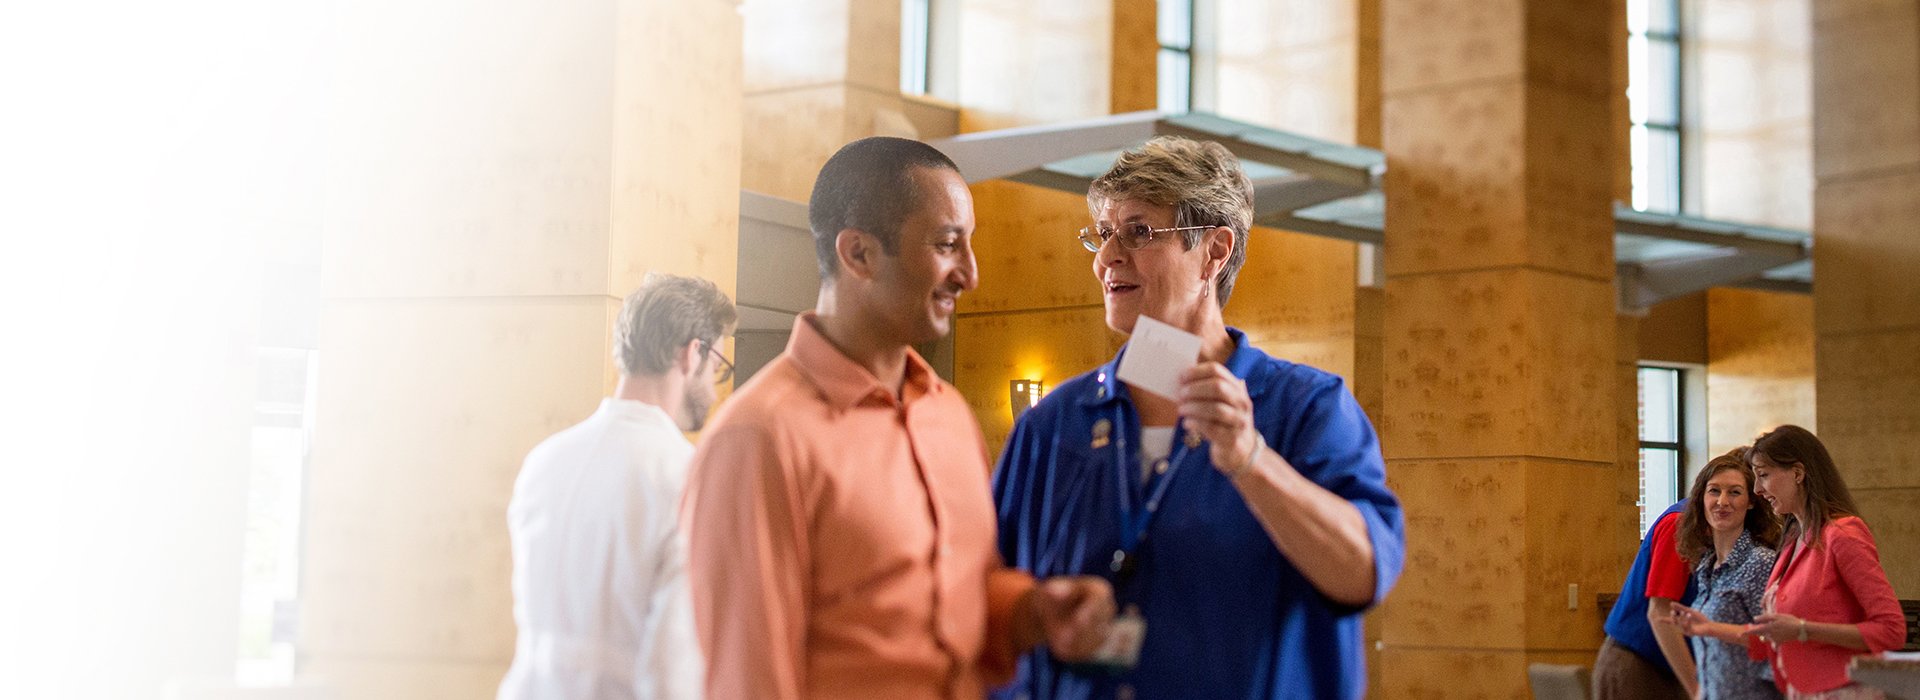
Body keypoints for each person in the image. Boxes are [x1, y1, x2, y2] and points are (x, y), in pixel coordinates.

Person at [682, 136, 1115, 700]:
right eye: (946, 244)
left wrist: (1031, 610)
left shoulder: (949, 415)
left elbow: (954, 601)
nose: (970, 274)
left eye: (970, 245)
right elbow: (748, 680)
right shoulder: (758, 439)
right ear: (858, 254)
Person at [988, 135, 1406, 700]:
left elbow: (1364, 574)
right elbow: (988, 597)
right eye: (1102, 234)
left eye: (1138, 232)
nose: (1107, 256)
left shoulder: (1306, 408)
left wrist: (1251, 460)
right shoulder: (1052, 426)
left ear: (1213, 251)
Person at [499, 273, 737, 700]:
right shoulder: (687, 477)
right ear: (692, 353)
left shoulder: (544, 461)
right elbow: (673, 666)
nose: (715, 392)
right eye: (716, 369)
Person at [1737, 425, 1906, 698]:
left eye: (1764, 476)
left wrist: (1804, 630)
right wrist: (1705, 628)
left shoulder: (1843, 533)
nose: (1757, 489)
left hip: (1844, 689)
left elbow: (1891, 629)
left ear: (1798, 473)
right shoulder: (1793, 538)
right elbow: (1780, 631)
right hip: (1802, 689)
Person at [1665, 447, 1783, 700]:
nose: (1722, 502)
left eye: (1735, 492)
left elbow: (1773, 641)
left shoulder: (1760, 562)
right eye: (1714, 491)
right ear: (1701, 498)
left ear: (1751, 502)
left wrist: (1710, 628)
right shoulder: (1706, 565)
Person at [1597, 492, 1699, 699]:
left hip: (1669, 665)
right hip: (1639, 662)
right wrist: (1697, 689)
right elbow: (1660, 613)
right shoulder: (1681, 524)